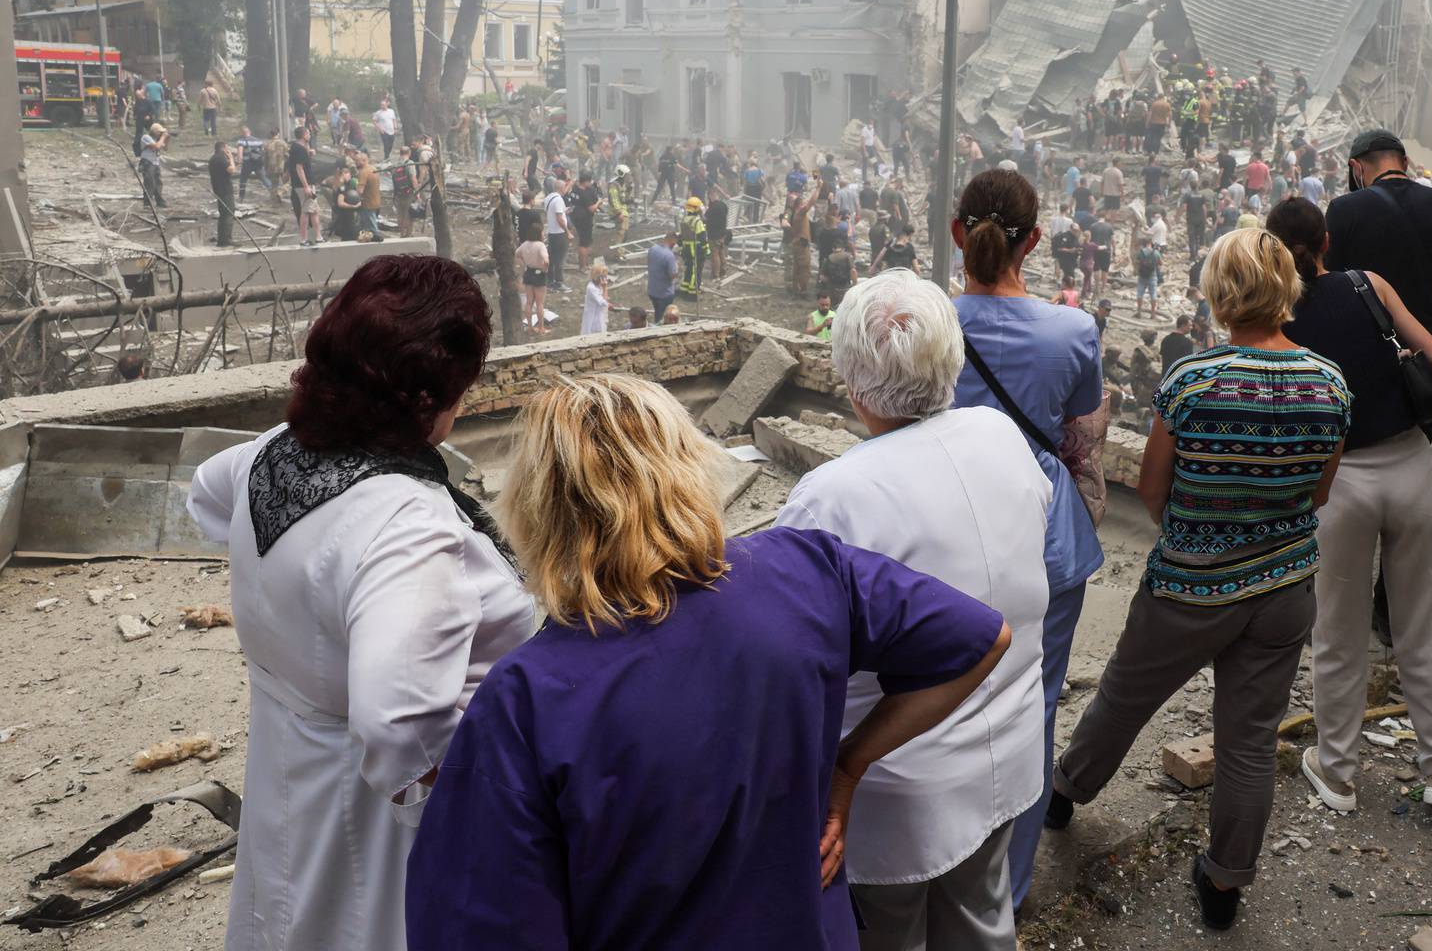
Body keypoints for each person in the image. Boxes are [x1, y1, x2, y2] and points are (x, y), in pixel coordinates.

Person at [404, 375, 1012, 950]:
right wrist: (847, 768)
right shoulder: (805, 568)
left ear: (540, 511)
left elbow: (480, 924)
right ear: (690, 469)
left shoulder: (525, 699)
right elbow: (982, 639)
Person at [185, 257, 536, 951]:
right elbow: (397, 722)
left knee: (289, 919)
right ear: (429, 394)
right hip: (379, 825)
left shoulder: (273, 456)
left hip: (291, 755)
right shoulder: (406, 526)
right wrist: (496, 794)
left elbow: (206, 498)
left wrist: (300, 608)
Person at [1044, 228, 1349, 931]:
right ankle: (1222, 888)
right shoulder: (1329, 383)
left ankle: (1063, 797)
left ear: (1220, 293)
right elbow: (1320, 494)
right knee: (1248, 742)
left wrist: (1199, 532)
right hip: (1283, 590)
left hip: (1187, 587)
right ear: (1287, 290)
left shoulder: (1193, 381)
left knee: (1123, 697)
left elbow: (1153, 490)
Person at [776, 272, 1050, 949]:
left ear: (850, 379)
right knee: (984, 923)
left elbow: (790, 653)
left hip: (893, 787)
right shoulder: (999, 433)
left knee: (888, 937)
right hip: (1008, 744)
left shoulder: (830, 498)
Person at [1268, 197, 1432, 814]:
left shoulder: (1278, 316)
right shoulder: (1367, 284)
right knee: (1428, 623)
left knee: (1338, 632)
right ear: (1328, 241)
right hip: (1410, 467)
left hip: (1337, 484)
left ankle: (1339, 773)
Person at [949, 168, 1103, 911]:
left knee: (930, 694)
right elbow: (1079, 430)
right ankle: (1006, 891)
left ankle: (928, 868)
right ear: (1034, 242)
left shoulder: (927, 325)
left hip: (945, 524)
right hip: (1046, 538)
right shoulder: (1071, 331)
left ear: (957, 235)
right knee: (1032, 710)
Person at [1325, 129, 1432, 342]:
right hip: (1423, 355)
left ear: (1356, 167)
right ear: (1405, 163)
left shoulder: (1342, 209)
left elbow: (1327, 285)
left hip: (1361, 346)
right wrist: (1425, 276)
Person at [543, 175, 573, 293]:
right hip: (560, 234)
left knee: (552, 258)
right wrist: (568, 232)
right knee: (560, 259)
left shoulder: (548, 198)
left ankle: (550, 281)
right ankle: (559, 282)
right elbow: (560, 218)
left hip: (551, 232)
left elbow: (554, 213)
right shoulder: (559, 199)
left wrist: (565, 210)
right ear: (562, 188)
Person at [517, 227, 550, 334]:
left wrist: (524, 264)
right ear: (538, 233)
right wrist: (545, 269)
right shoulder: (540, 245)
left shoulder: (525, 244)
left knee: (529, 302)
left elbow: (517, 254)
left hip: (528, 273)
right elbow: (545, 260)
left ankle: (530, 327)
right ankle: (541, 328)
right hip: (539, 274)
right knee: (540, 303)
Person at [678, 196, 709, 298]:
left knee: (689, 269)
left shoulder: (684, 220)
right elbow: (702, 237)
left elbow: (680, 236)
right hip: (696, 249)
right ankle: (693, 293)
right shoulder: (697, 221)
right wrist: (706, 250)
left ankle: (684, 289)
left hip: (686, 248)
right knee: (696, 271)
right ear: (697, 209)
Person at [209, 140, 238, 247]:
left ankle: (221, 240)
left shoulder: (213, 158)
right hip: (225, 190)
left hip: (218, 189)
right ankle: (227, 239)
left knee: (223, 215)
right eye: (227, 148)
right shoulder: (221, 158)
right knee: (228, 214)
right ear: (223, 148)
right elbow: (231, 170)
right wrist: (230, 158)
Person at [645, 235, 679, 325]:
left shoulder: (653, 248)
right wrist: (678, 269)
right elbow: (672, 275)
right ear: (673, 243)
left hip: (652, 290)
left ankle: (657, 323)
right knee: (663, 318)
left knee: (658, 311)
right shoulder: (669, 255)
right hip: (664, 293)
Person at [138, 122, 168, 208]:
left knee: (158, 182)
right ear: (154, 131)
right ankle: (147, 203)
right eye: (159, 132)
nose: (160, 133)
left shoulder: (158, 139)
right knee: (149, 182)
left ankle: (160, 201)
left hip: (156, 162)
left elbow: (165, 148)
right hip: (147, 162)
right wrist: (163, 137)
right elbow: (156, 147)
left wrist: (166, 138)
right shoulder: (146, 137)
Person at [706, 192, 731, 281]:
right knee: (721, 252)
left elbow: (706, 218)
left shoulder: (713, 208)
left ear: (711, 197)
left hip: (714, 234)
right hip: (722, 233)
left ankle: (715, 275)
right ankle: (723, 272)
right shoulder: (723, 205)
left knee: (715, 254)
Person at [582, 259, 611, 335]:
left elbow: (605, 300)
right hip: (593, 318)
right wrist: (605, 288)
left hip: (600, 315)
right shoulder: (591, 288)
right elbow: (603, 303)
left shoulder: (599, 286)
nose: (605, 278)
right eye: (603, 276)